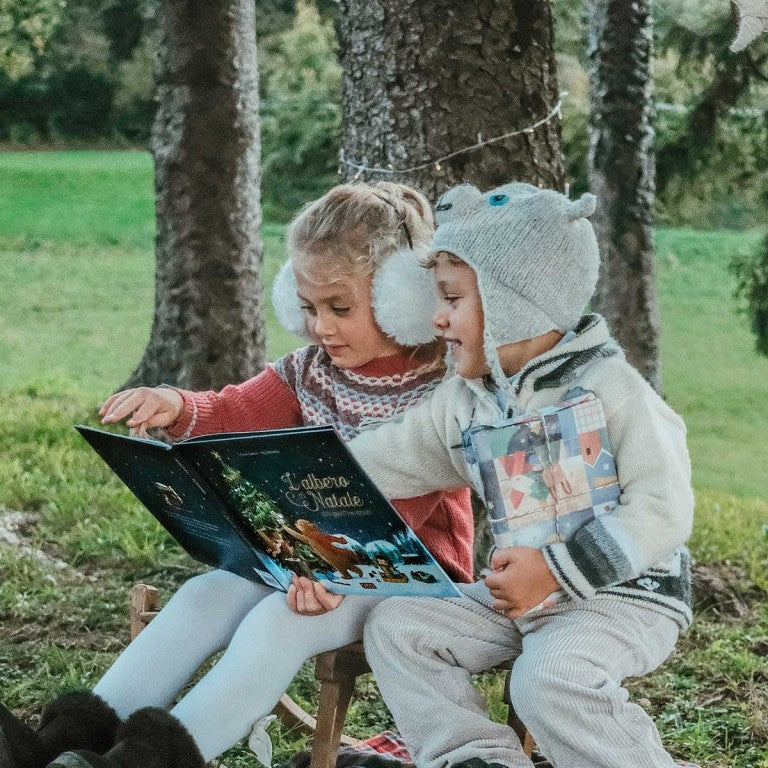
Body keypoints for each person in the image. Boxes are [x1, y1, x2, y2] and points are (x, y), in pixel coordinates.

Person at [0, 182, 474, 768]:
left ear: (404, 295)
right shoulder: (311, 369)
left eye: (340, 308)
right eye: (307, 307)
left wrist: (329, 565)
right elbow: (233, 409)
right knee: (206, 594)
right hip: (308, 558)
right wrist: (178, 407)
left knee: (279, 623)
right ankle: (65, 742)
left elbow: (398, 514)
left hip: (404, 580)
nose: (321, 327)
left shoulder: (440, 394)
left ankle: (154, 760)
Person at [341, 182, 694, 768]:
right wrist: (309, 472)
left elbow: (664, 508)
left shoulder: (610, 389)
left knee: (546, 680)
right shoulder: (467, 401)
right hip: (521, 598)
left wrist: (557, 572)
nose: (437, 318)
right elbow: (390, 456)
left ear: (514, 306)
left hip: (622, 595)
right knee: (400, 625)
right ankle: (474, 757)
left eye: (453, 299)